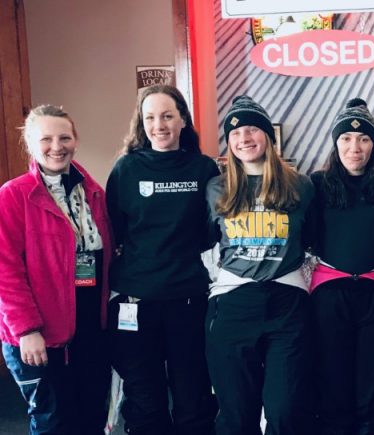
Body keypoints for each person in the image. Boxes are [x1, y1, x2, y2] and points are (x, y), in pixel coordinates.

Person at [106, 85, 219, 435]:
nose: (160, 125)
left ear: (183, 119)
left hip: (187, 298)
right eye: (150, 117)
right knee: (144, 397)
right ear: (141, 123)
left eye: (168, 116)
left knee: (192, 395)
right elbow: (115, 229)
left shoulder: (203, 168)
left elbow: (211, 230)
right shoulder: (126, 169)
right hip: (136, 301)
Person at [204, 95, 316, 435]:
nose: (243, 138)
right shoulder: (216, 188)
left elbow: (310, 238)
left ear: (268, 136)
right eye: (235, 133)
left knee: (285, 412)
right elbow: (205, 241)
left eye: (252, 129)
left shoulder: (300, 185)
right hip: (233, 302)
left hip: (287, 302)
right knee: (237, 415)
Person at [0, 105, 113, 434]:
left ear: (75, 141)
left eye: (64, 137)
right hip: (40, 336)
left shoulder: (94, 194)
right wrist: (26, 330)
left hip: (90, 329)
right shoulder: (14, 195)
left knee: (92, 416)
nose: (56, 146)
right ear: (31, 144)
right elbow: (6, 272)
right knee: (54, 421)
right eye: (46, 139)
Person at [308, 98, 374, 435]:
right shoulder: (317, 184)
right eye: (346, 138)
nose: (355, 147)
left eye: (363, 139)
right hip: (330, 293)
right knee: (333, 378)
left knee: (373, 381)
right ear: (335, 142)